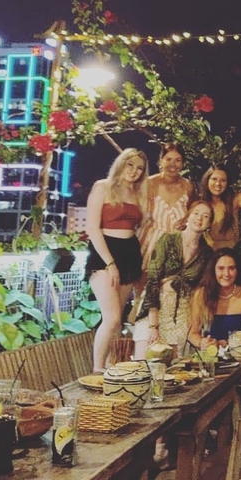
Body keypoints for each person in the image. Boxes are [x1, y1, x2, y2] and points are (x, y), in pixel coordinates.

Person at [84, 149, 149, 372]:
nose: (134, 171)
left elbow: (140, 227)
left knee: (118, 318)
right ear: (121, 164)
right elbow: (92, 227)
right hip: (104, 254)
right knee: (111, 318)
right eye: (130, 165)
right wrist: (110, 263)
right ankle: (97, 369)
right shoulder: (102, 186)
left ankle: (112, 366)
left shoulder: (138, 193)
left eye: (140, 168)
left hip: (130, 254)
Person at [132, 200, 214, 360]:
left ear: (209, 224)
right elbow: (153, 280)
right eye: (196, 213)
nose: (199, 218)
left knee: (172, 367)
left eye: (206, 216)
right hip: (155, 306)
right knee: (143, 362)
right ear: (188, 216)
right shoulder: (168, 239)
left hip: (181, 310)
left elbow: (202, 288)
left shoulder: (207, 253)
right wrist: (153, 325)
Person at [188, 248, 241, 349]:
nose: (226, 274)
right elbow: (192, 333)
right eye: (221, 268)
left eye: (231, 268)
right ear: (213, 270)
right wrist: (202, 342)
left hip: (240, 354)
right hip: (211, 356)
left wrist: (225, 343)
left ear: (237, 270)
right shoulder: (201, 294)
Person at [141, 142, 195, 264]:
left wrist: (185, 221)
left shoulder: (188, 186)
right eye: (168, 159)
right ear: (161, 161)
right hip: (151, 244)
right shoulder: (149, 184)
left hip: (179, 244)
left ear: (183, 163)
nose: (173, 164)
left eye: (178, 160)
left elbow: (194, 209)